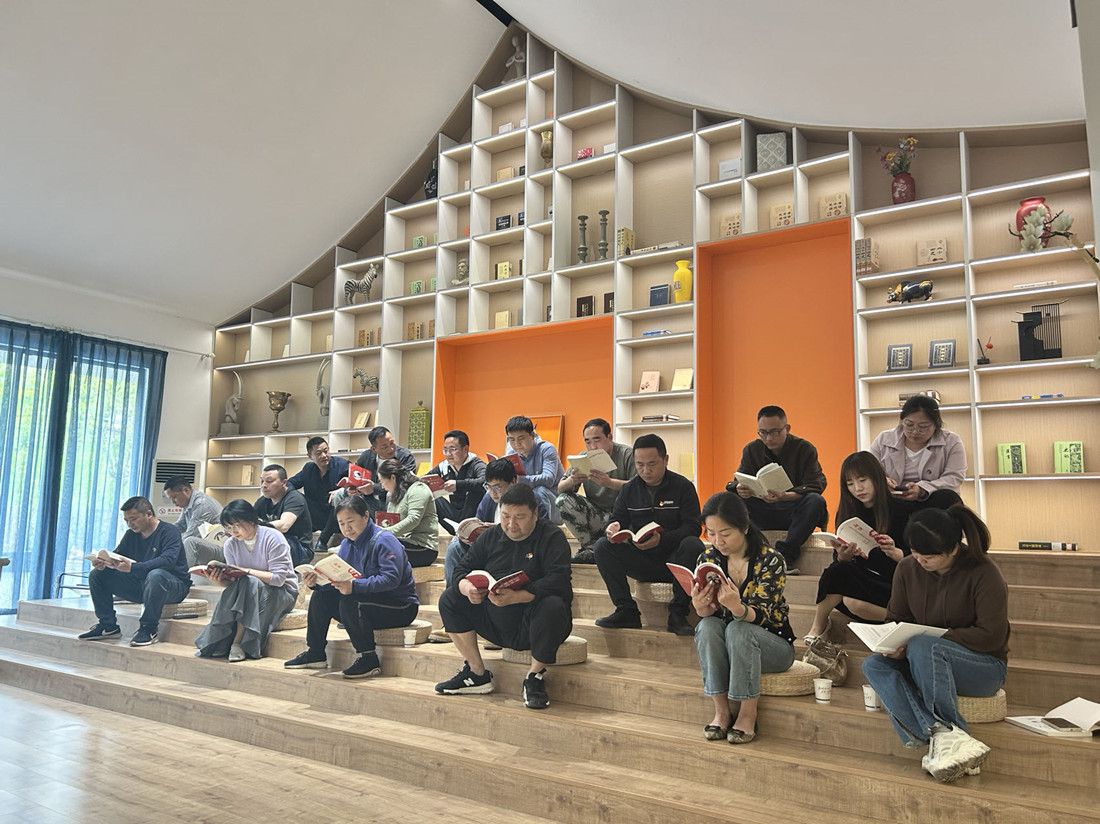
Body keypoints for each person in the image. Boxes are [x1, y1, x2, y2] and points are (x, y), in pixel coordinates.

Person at [862, 505, 1009, 783]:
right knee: (874, 665)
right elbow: (897, 619)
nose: (919, 561)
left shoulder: (984, 572)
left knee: (923, 646)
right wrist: (895, 644)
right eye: (915, 553)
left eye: (928, 557)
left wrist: (933, 639)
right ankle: (945, 737)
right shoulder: (907, 568)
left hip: (983, 666)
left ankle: (949, 737)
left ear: (953, 549)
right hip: (924, 659)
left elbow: (992, 636)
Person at [435, 484, 572, 710]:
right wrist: (468, 588)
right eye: (506, 516)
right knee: (450, 597)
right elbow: (461, 569)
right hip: (496, 621)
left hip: (535, 623)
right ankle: (477, 673)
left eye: (520, 517)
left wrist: (518, 596)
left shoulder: (551, 536)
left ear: (535, 514)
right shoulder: (491, 536)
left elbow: (559, 581)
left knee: (553, 604)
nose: (511, 524)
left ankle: (534, 677)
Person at [691, 492, 795, 744]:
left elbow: (762, 617)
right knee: (706, 625)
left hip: (773, 644)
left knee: (739, 629)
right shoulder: (708, 559)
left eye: (725, 534)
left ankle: (748, 714)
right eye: (711, 534)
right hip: (730, 645)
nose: (718, 541)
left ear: (745, 527)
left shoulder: (771, 560)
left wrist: (737, 607)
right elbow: (709, 614)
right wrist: (700, 606)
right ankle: (721, 711)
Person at [284, 496, 418, 679]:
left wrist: (354, 586)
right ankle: (316, 652)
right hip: (367, 599)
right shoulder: (346, 544)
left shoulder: (385, 540)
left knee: (351, 601)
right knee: (321, 597)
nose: (346, 528)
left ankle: (369, 659)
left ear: (366, 516)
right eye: (341, 523)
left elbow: (391, 580)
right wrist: (317, 583)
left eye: (350, 521)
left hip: (400, 606)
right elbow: (340, 578)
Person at [592, 433, 702, 636]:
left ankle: (678, 614)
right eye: (640, 465)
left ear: (665, 459)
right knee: (602, 546)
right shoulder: (629, 489)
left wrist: (663, 540)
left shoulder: (683, 487)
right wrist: (612, 528)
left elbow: (693, 526)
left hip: (675, 560)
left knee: (693, 544)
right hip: (642, 559)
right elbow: (617, 519)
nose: (645, 470)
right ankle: (626, 610)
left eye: (652, 464)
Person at [804, 451, 909, 644]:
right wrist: (844, 556)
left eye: (862, 480)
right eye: (850, 484)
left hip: (896, 585)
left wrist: (896, 553)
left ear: (876, 478)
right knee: (840, 573)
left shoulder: (901, 510)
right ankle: (819, 626)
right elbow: (842, 563)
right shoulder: (849, 513)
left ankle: (905, 621)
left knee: (854, 602)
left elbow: (921, 558)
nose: (858, 488)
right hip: (864, 583)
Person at [78, 496, 191, 647]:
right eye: (126, 520)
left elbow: (167, 561)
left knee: (156, 575)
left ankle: (148, 628)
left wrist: (133, 568)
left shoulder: (169, 531)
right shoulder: (131, 535)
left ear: (148, 514)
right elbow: (117, 555)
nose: (130, 524)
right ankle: (108, 626)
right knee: (97, 575)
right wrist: (104, 562)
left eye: (133, 519)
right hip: (142, 584)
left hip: (174, 586)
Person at [193, 499, 297, 662]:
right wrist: (220, 581)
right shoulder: (230, 545)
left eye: (236, 525)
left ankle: (238, 643)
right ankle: (220, 641)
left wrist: (246, 571)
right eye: (228, 527)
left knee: (250, 581)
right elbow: (235, 582)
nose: (233, 532)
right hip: (249, 589)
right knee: (246, 583)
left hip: (283, 592)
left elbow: (278, 579)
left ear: (251, 520)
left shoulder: (273, 537)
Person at [729, 405, 827, 570]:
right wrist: (741, 489)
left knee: (815, 501)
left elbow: (816, 484)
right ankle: (741, 553)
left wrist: (786, 496)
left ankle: (784, 556)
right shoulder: (751, 449)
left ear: (787, 428)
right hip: (762, 509)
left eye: (774, 432)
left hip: (793, 511)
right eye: (763, 432)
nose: (768, 438)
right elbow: (739, 479)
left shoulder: (804, 449)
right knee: (730, 499)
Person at [443, 457, 550, 586]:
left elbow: (542, 533)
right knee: (455, 548)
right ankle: (456, 590)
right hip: (490, 550)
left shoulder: (530, 500)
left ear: (513, 481)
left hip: (520, 551)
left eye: (498, 487)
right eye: (488, 487)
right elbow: (478, 523)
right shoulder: (488, 499)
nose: (493, 493)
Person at [555, 417, 636, 563]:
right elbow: (560, 489)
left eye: (597, 440)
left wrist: (609, 483)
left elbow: (639, 488)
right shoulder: (583, 458)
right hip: (596, 514)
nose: (592, 446)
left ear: (609, 437)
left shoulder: (627, 455)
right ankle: (590, 548)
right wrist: (572, 480)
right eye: (588, 442)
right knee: (562, 500)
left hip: (623, 515)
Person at [868, 395, 965, 515]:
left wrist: (922, 489)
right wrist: (883, 481)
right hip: (893, 500)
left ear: (936, 424)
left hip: (933, 500)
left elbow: (954, 477)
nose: (915, 431)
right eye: (909, 425)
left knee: (947, 497)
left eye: (923, 427)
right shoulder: (884, 439)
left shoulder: (952, 441)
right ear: (902, 421)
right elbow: (868, 470)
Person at [376, 458, 440, 567]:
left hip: (423, 548)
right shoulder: (392, 495)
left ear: (393, 477)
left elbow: (413, 519)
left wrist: (384, 533)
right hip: (403, 541)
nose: (382, 486)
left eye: (382, 481)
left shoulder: (418, 489)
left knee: (380, 546)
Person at [503, 415, 565, 524]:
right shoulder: (512, 455)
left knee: (539, 491)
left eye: (521, 438)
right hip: (527, 503)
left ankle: (542, 529)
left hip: (556, 505)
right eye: (512, 439)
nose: (516, 444)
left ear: (532, 435)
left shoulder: (546, 449)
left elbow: (549, 479)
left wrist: (521, 480)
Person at [286, 437, 349, 541]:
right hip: (316, 514)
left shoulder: (342, 465)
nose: (324, 455)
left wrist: (341, 490)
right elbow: (290, 483)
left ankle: (323, 540)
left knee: (341, 496)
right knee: (293, 495)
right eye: (319, 453)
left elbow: (355, 484)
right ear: (310, 456)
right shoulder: (308, 469)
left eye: (326, 451)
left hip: (335, 515)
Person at [426, 429, 487, 533]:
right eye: (445, 450)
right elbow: (427, 478)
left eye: (453, 449)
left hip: (474, 516)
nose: (448, 454)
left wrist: (458, 484)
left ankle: (467, 531)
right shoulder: (444, 466)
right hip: (454, 513)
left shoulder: (477, 464)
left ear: (465, 449)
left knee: (475, 492)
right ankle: (456, 532)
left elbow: (484, 481)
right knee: (429, 497)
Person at [253, 464, 314, 566]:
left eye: (269, 481)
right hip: (275, 545)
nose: (264, 485)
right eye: (262, 481)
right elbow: (249, 520)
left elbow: (284, 526)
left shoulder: (294, 498)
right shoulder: (262, 501)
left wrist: (256, 527)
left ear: (284, 482)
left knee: (276, 540)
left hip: (299, 549)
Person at [163, 475, 225, 566]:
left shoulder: (202, 505)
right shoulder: (189, 503)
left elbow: (190, 535)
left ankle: (182, 574)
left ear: (186, 491)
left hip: (222, 549)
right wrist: (160, 533)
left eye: (174, 497)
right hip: (209, 546)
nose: (173, 502)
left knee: (189, 542)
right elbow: (180, 525)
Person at [356, 426, 417, 515]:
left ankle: (391, 522)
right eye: (384, 447)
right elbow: (355, 475)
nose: (391, 449)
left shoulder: (405, 456)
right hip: (369, 498)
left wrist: (374, 488)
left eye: (392, 443)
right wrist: (353, 488)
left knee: (390, 494)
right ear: (374, 449)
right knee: (341, 494)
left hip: (393, 498)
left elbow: (404, 482)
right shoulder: (366, 457)